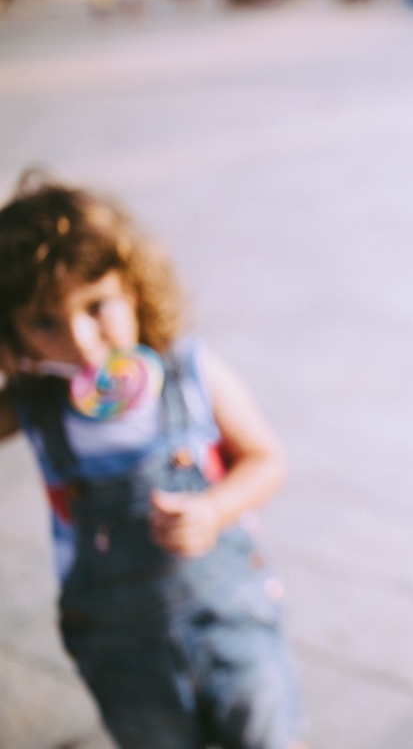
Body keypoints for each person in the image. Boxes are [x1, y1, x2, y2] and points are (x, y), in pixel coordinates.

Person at [0, 171, 307, 749]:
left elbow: (267, 460)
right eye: (45, 322)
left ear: (135, 288)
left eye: (97, 306)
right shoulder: (34, 403)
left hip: (229, 621)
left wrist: (214, 510)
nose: (83, 341)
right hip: (121, 648)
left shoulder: (188, 372)